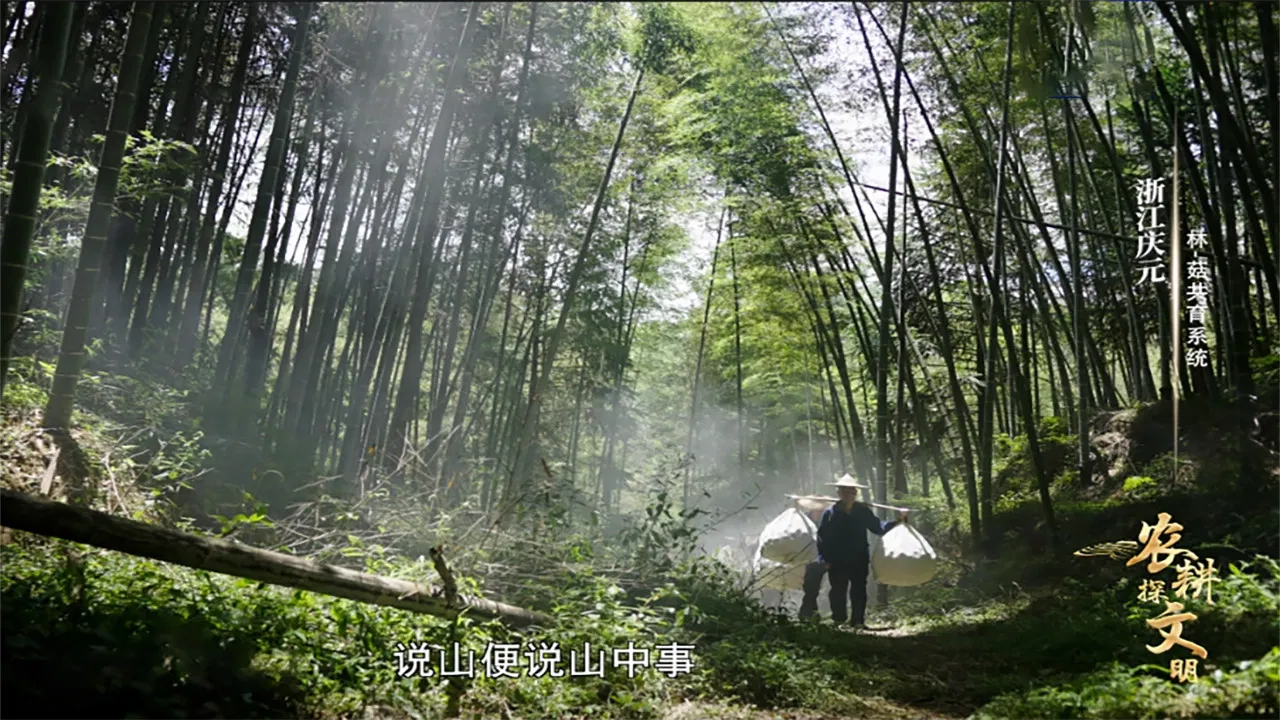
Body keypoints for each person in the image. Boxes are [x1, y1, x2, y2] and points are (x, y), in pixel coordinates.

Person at [803, 473, 908, 629]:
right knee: (838, 590)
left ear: (855, 493)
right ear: (839, 493)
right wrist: (825, 559)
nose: (848, 495)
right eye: (844, 491)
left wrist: (898, 521)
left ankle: (858, 621)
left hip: (859, 558)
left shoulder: (862, 511)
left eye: (851, 492)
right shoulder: (830, 513)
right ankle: (839, 620)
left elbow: (878, 527)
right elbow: (822, 538)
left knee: (859, 589)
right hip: (837, 560)